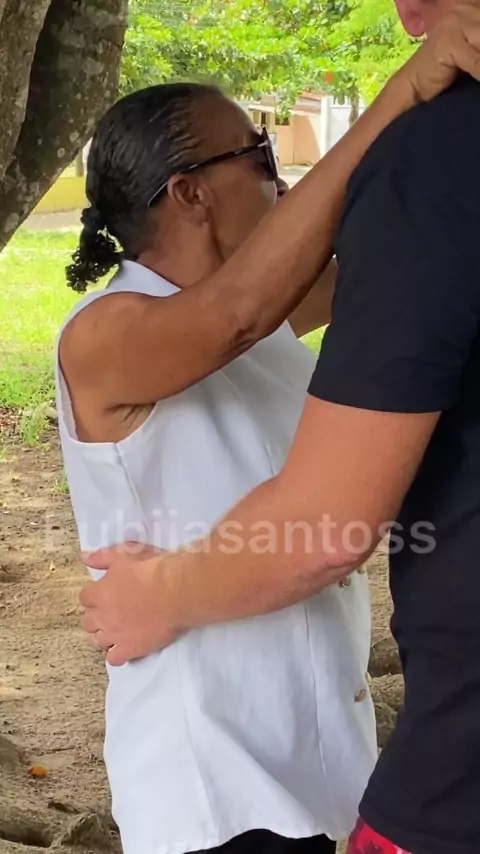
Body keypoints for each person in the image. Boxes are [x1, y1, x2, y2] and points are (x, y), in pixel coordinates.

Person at [79, 4, 480, 854]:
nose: (282, 176)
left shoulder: (267, 320)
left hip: (320, 747)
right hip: (209, 772)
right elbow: (234, 313)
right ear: (189, 192)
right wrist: (407, 89)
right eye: (259, 155)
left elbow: (390, 264)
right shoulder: (105, 336)